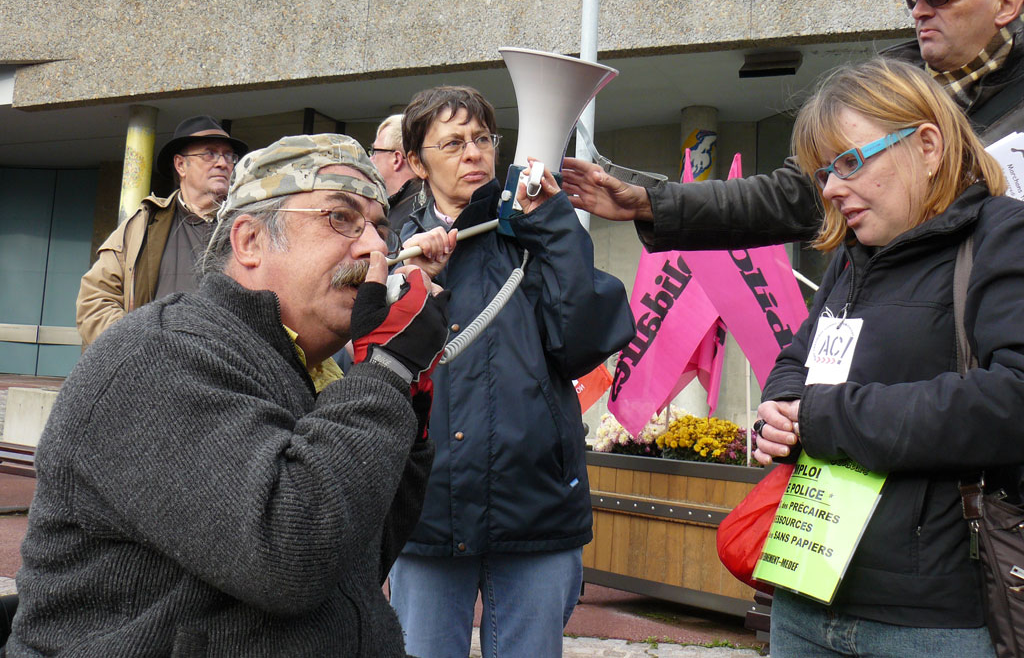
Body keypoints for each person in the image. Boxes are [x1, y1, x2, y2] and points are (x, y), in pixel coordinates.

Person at [8, 134, 451, 657]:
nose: (377, 249)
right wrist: (387, 370)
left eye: (380, 229)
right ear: (249, 242)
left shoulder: (320, 374)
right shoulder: (157, 356)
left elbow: (359, 552)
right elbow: (291, 554)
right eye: (340, 218)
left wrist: (407, 393)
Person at [753, 58, 1024, 657]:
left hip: (932, 619)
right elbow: (800, 360)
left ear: (927, 145)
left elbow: (1013, 400)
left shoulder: (1002, 237)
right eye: (823, 172)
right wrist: (778, 412)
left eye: (848, 162)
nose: (829, 188)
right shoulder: (852, 258)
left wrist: (826, 419)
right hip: (805, 593)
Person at [561, 0, 1024, 251]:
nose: (920, 10)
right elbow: (789, 195)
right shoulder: (883, 86)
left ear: (1007, 3)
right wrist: (649, 203)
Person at [386, 86, 635, 658]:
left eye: (482, 139)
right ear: (418, 163)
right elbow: (370, 360)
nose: (473, 153)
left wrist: (552, 225)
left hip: (535, 501)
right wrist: (412, 284)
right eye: (453, 143)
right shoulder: (391, 239)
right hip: (426, 507)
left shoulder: (537, 230)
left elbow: (581, 342)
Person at [76, 115, 249, 346]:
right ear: (180, 165)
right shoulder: (142, 225)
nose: (222, 163)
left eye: (229, 156)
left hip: (226, 369)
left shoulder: (247, 228)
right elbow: (95, 298)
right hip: (152, 370)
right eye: (209, 153)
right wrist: (137, 347)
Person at [371, 113, 429, 229]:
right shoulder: (434, 203)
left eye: (374, 151)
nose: (370, 159)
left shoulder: (419, 213)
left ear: (396, 159)